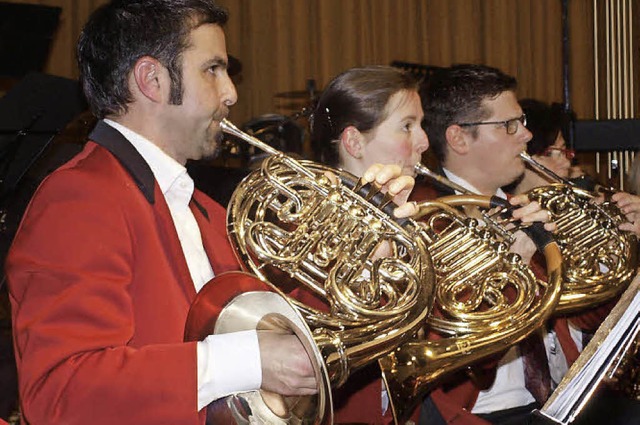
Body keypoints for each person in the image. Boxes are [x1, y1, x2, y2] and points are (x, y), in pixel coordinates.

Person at [4, 2, 416, 424]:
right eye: (212, 69)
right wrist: (247, 360)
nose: (231, 93)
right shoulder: (79, 197)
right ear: (153, 80)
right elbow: (64, 391)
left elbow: (278, 328)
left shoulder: (204, 209)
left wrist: (366, 251)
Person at [310, 65, 554, 424]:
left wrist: (509, 268)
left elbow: (467, 356)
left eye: (421, 125)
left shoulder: (419, 220)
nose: (424, 142)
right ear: (354, 142)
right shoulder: (312, 227)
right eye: (407, 126)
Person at [418, 64, 606, 425]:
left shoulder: (527, 206)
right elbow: (468, 358)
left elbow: (585, 316)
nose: (526, 135)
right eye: (509, 126)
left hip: (559, 398)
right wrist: (508, 270)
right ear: (459, 139)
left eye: (521, 122)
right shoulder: (429, 221)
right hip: (486, 411)